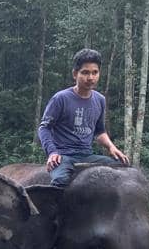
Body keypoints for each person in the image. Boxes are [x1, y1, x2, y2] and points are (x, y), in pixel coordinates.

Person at [36, 48, 129, 188]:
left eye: (95, 72)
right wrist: (52, 152)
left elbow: (99, 132)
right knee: (60, 181)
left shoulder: (100, 100)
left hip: (87, 155)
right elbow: (44, 128)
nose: (90, 78)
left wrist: (112, 147)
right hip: (63, 156)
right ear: (75, 74)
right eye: (85, 72)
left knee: (123, 169)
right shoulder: (61, 98)